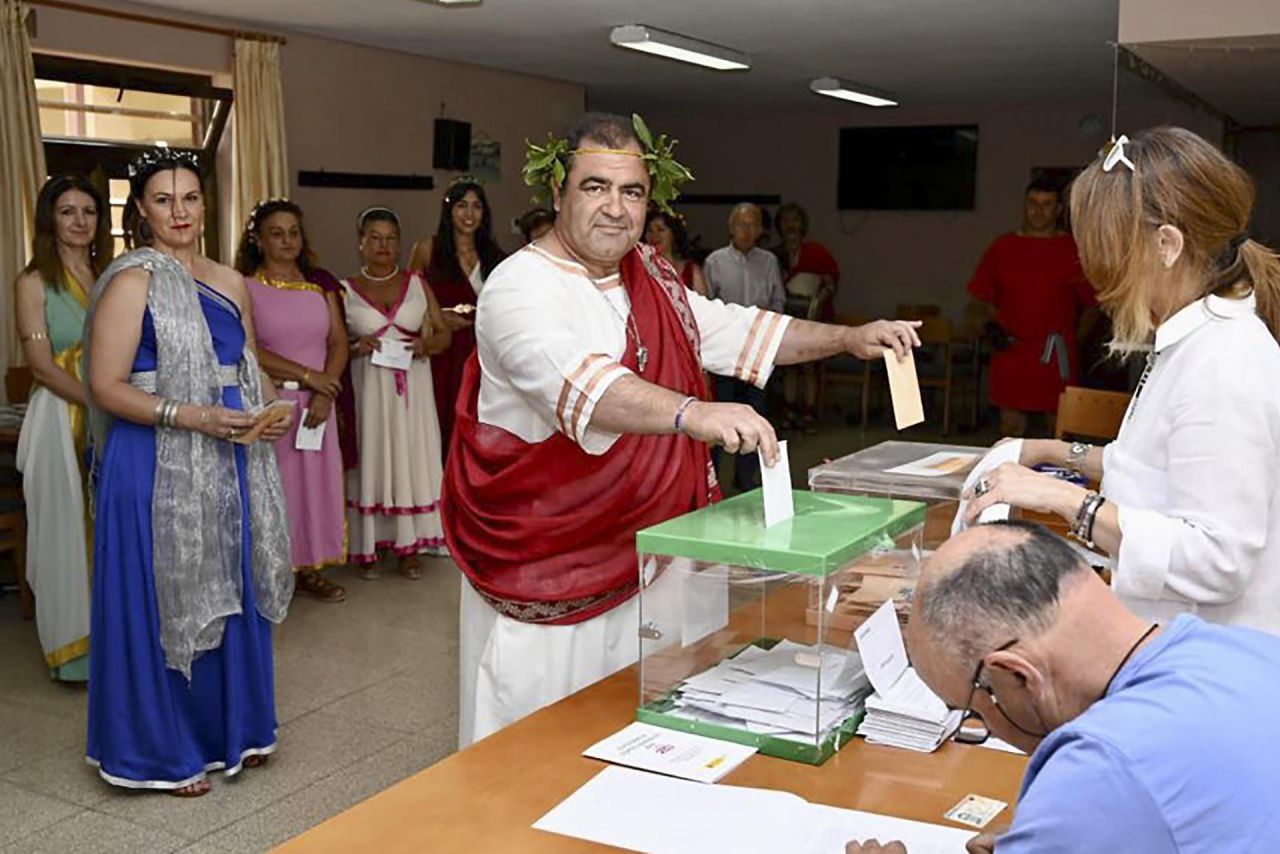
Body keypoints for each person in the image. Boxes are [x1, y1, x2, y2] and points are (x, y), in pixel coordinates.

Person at [444, 112, 920, 746]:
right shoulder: (519, 287)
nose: (615, 208)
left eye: (632, 192)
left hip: (656, 546)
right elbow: (585, 387)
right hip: (554, 559)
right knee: (545, 736)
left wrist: (849, 337)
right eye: (594, 188)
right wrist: (695, 413)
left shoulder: (653, 275)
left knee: (656, 714)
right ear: (557, 194)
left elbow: (739, 330)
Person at [963, 127, 1280, 635]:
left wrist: (1067, 499)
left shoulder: (1225, 363)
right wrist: (1047, 452)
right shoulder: (1191, 340)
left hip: (1209, 654)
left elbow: (1217, 560)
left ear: (1167, 245)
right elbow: (1156, 465)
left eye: (1112, 258)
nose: (1100, 282)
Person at [845, 521, 1280, 853]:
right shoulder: (1250, 649)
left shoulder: (1102, 771)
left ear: (1015, 677)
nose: (989, 731)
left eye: (974, 713)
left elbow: (1120, 790)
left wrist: (1070, 821)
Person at [83, 149, 294, 796]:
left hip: (231, 451)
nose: (180, 212)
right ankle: (162, 749)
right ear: (142, 210)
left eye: (191, 198)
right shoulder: (131, 281)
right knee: (160, 592)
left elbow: (248, 364)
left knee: (230, 578)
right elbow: (106, 386)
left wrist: (263, 410)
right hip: (152, 459)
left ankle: (233, 727)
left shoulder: (230, 280)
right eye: (165, 200)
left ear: (207, 204)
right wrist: (189, 416)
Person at [14, 174, 112, 682]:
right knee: (66, 531)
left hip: (110, 414)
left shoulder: (109, 276)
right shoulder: (33, 282)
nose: (79, 221)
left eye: (89, 212)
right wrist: (100, 404)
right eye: (68, 211)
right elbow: (42, 366)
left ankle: (115, 640)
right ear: (50, 217)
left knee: (109, 527)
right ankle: (73, 654)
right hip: (61, 417)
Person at [236, 199, 349, 603]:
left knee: (315, 489)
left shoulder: (319, 285)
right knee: (277, 488)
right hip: (275, 406)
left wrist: (324, 389)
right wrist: (306, 377)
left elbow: (337, 343)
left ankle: (312, 568)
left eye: (293, 232)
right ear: (259, 240)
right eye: (276, 233)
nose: (287, 240)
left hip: (319, 406)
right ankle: (271, 570)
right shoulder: (245, 287)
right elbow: (247, 348)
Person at [343, 206, 451, 579]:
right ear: (361, 243)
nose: (383, 245)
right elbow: (334, 345)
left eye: (390, 238)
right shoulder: (344, 291)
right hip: (369, 389)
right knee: (374, 455)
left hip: (413, 392)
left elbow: (443, 334)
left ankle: (411, 547)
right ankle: (368, 547)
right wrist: (358, 346)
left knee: (410, 457)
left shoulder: (418, 284)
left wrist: (426, 346)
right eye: (375, 237)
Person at [967, 178, 1096, 437]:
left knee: (1058, 428)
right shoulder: (1002, 248)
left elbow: (1093, 307)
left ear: (1059, 210)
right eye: (1033, 203)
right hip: (1011, 349)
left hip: (1056, 352)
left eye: (1047, 204)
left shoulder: (1072, 250)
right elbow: (979, 301)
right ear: (1024, 206)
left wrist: (1074, 342)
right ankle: (1007, 475)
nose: (1039, 211)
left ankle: (1052, 479)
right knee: (1010, 428)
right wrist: (989, 330)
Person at [408, 178, 506, 454]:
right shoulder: (428, 249)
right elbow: (410, 297)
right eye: (462, 206)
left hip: (482, 351)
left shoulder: (495, 256)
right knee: (441, 416)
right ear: (449, 210)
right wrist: (438, 316)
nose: (469, 214)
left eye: (476, 206)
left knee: (480, 420)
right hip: (443, 349)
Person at [702, 202, 786, 489]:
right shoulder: (715, 261)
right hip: (723, 352)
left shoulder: (769, 261)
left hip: (758, 351)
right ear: (731, 227)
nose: (747, 230)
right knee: (719, 415)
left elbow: (778, 301)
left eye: (754, 225)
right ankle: (710, 478)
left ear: (761, 229)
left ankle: (746, 479)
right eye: (742, 224)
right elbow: (707, 303)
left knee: (756, 414)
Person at [775, 201, 841, 430]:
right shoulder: (776, 255)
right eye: (785, 220)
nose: (790, 225)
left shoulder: (816, 252)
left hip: (812, 316)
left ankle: (809, 412)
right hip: (786, 316)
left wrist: (817, 305)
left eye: (794, 220)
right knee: (789, 364)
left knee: (809, 366)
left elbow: (830, 285)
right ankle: (790, 409)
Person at [644, 207, 708, 297]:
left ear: (673, 234)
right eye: (649, 230)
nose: (654, 235)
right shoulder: (640, 268)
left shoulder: (691, 271)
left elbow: (704, 307)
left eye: (660, 229)